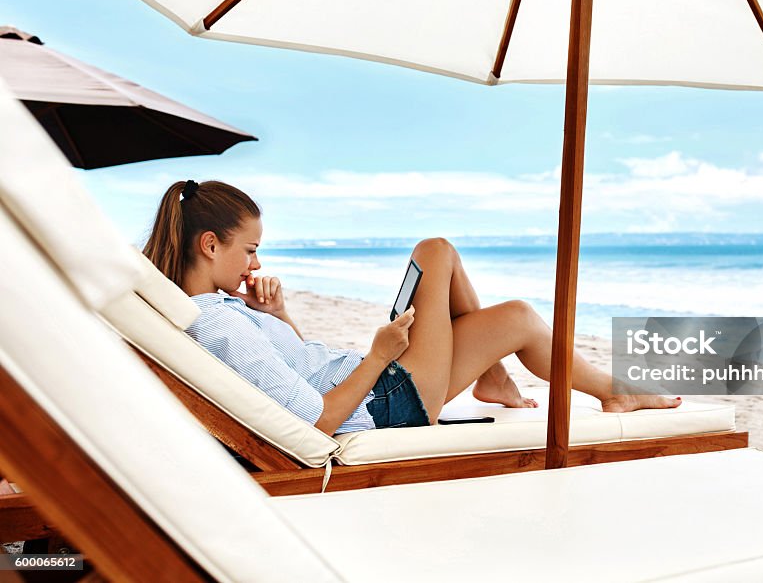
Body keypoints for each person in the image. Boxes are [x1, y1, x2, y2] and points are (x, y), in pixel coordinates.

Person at [143, 179, 681, 435]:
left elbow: (296, 371)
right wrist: (379, 357)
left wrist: (279, 318)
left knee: (512, 311)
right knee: (438, 254)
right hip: (386, 402)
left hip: (379, 384)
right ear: (210, 245)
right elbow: (316, 421)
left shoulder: (219, 311)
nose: (255, 266)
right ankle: (610, 390)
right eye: (250, 251)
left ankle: (506, 380)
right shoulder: (219, 326)